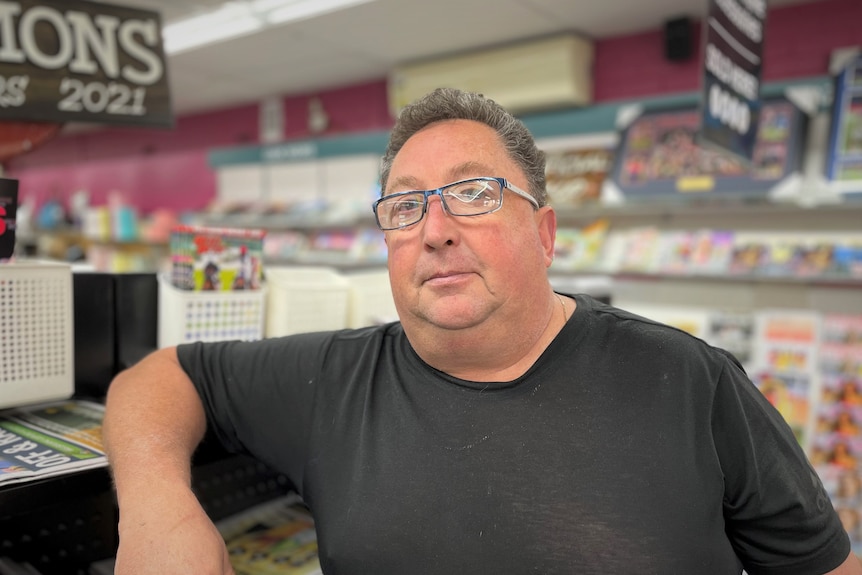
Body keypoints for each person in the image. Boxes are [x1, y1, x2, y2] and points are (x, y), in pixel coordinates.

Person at [103, 87, 861, 575]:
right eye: (404, 205)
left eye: (472, 193)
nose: (434, 229)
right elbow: (158, 379)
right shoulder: (333, 380)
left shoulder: (691, 380)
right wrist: (157, 508)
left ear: (546, 232)